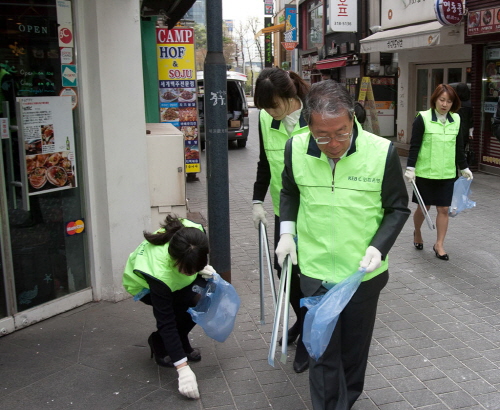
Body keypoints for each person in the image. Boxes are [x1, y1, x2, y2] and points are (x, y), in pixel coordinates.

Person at [276, 80, 410, 410]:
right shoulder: (295, 148)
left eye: (341, 133)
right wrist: (286, 231)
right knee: (321, 352)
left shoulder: (382, 152)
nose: (333, 144)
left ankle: (346, 402)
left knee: (352, 353)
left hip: (362, 276)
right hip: (316, 272)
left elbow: (398, 208)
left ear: (352, 118)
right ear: (308, 125)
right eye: (322, 135)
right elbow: (290, 192)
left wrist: (379, 247)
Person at [252, 67, 310, 373]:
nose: (271, 114)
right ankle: (302, 322)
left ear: (291, 97)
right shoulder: (266, 118)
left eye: (274, 106)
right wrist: (256, 199)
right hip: (284, 211)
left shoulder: (316, 117)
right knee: (283, 268)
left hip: (316, 212)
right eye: (265, 108)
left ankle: (309, 338)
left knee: (311, 273)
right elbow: (264, 161)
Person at [123, 215, 216, 400]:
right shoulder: (158, 274)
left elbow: (195, 262)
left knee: (203, 299)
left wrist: (203, 269)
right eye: (187, 269)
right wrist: (183, 369)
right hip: (145, 287)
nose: (191, 272)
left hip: (173, 278)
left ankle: (179, 339)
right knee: (181, 309)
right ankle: (158, 342)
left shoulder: (194, 234)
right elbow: (165, 321)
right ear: (173, 260)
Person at [405, 84, 473, 261]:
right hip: (426, 173)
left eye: (449, 101)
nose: (444, 104)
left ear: (453, 103)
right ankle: (417, 232)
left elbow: (459, 147)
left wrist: (464, 167)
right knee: (424, 207)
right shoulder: (423, 118)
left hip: (447, 174)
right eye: (442, 100)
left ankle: (439, 244)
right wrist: (410, 168)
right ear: (435, 99)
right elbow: (415, 146)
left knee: (443, 208)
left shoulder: (456, 120)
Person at [455, 83, 474, 151]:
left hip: (453, 130)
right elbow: (471, 120)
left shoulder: (454, 103)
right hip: (465, 131)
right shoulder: (470, 104)